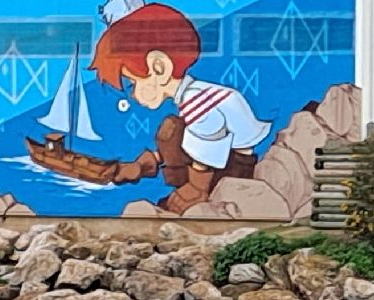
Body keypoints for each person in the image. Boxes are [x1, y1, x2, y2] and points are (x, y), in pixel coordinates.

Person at [88, 0, 271, 214]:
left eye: (134, 83)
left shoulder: (196, 99)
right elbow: (184, 144)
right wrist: (144, 164)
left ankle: (191, 195)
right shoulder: (192, 96)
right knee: (172, 128)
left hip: (234, 165)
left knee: (172, 129)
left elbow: (207, 148)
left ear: (159, 67)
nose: (134, 95)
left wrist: (196, 188)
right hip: (220, 155)